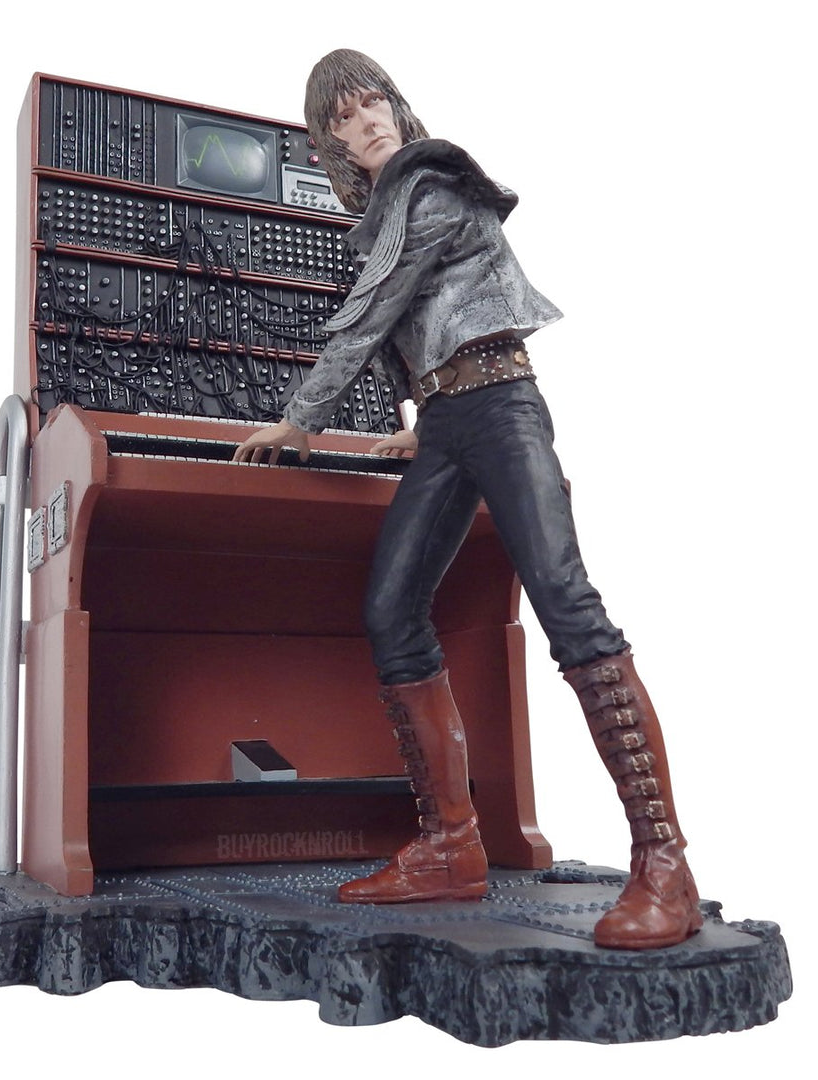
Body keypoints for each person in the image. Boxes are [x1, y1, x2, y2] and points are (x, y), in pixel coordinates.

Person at [233, 49, 702, 950]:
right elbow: (424, 324)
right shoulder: (388, 208)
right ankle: (450, 845)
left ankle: (665, 865)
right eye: (344, 117)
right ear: (331, 143)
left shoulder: (432, 181)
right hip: (450, 421)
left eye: (373, 101)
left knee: (568, 604)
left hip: (502, 406)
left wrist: (301, 418)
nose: (367, 120)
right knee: (391, 608)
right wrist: (424, 419)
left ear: (396, 106)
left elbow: (378, 310)